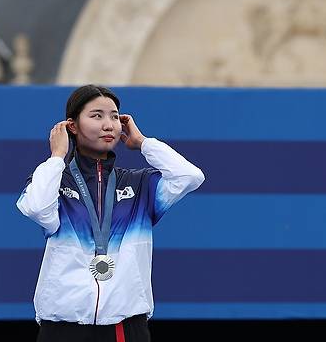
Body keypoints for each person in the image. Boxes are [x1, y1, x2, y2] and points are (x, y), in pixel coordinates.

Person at [17, 85, 205, 341]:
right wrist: (57, 157)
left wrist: (143, 143)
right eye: (97, 116)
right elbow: (37, 207)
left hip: (124, 327)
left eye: (115, 117)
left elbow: (191, 177)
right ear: (71, 126)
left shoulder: (139, 185)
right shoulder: (54, 182)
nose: (109, 125)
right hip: (63, 328)